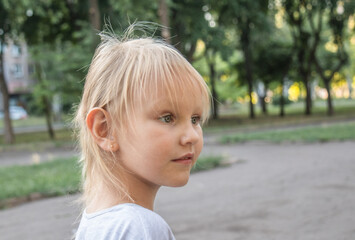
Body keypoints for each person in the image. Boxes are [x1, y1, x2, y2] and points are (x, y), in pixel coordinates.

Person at [74, 23, 210, 239]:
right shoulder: (141, 228)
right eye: (167, 118)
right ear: (105, 129)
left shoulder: (96, 224)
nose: (192, 136)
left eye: (195, 119)